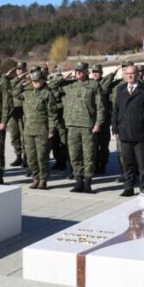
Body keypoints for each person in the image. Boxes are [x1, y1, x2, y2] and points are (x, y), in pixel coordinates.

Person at [51, 62, 104, 193]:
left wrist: (98, 123)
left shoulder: (94, 85)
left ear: (87, 71)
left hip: (88, 125)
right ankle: (78, 181)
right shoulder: (69, 85)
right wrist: (63, 77)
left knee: (89, 155)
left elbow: (100, 106)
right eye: (76, 70)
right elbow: (51, 86)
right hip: (72, 125)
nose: (78, 72)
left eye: (81, 70)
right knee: (74, 155)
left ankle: (87, 183)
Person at [112, 64, 144, 196]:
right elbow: (116, 110)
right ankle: (128, 187)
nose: (130, 76)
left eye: (132, 73)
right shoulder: (120, 90)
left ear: (137, 75)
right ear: (124, 75)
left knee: (142, 164)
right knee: (127, 163)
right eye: (127, 74)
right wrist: (115, 128)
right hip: (125, 132)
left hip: (141, 132)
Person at [21, 70, 57, 189]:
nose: (35, 83)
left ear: (43, 80)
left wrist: (51, 130)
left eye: (37, 80)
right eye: (33, 81)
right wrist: (25, 82)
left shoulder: (47, 94)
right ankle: (35, 178)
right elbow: (14, 90)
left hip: (42, 130)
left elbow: (52, 114)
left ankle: (43, 179)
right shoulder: (27, 93)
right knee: (31, 158)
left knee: (42, 157)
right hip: (28, 130)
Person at [91, 64, 118, 175]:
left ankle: (102, 165)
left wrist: (113, 72)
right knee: (93, 145)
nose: (95, 74)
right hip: (92, 120)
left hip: (104, 120)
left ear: (101, 73)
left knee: (103, 145)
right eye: (93, 72)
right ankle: (94, 164)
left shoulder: (105, 83)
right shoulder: (90, 84)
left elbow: (107, 81)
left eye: (97, 72)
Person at [7, 62, 28, 170]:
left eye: (21, 69)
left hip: (24, 111)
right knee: (14, 135)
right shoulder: (12, 81)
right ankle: (18, 156)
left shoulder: (29, 81)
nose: (19, 71)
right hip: (13, 112)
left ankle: (26, 157)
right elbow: (8, 89)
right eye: (17, 69)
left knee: (25, 136)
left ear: (25, 69)